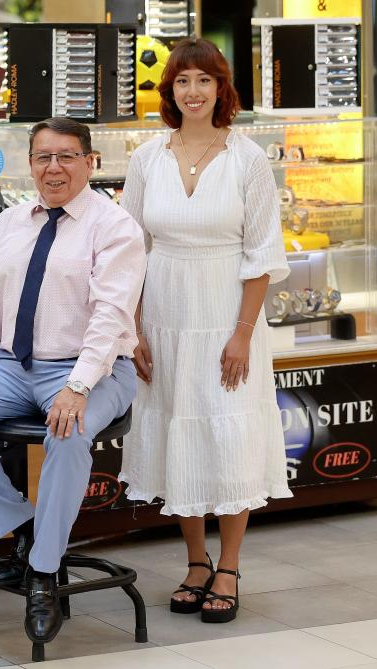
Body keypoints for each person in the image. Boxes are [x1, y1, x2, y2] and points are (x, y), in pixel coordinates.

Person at [0, 117, 146, 644]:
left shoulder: (114, 227)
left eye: (66, 156)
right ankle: (25, 529)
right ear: (30, 163)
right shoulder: (7, 225)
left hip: (94, 367)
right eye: (43, 156)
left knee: (68, 430)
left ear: (91, 163)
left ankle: (43, 571)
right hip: (11, 367)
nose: (54, 167)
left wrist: (79, 387)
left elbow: (111, 316)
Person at [118, 38, 292, 624]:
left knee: (229, 434)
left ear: (222, 89)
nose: (193, 91)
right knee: (176, 430)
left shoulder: (248, 160)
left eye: (204, 80)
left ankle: (230, 565)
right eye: (183, 81)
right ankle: (195, 560)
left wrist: (242, 333)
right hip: (164, 315)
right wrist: (132, 327)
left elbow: (262, 255)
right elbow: (131, 250)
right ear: (169, 90)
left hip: (225, 313)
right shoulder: (146, 158)